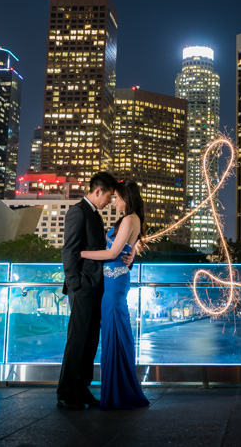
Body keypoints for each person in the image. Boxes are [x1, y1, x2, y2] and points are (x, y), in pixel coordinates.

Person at [56, 171, 128, 410]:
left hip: (97, 286)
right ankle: (66, 393)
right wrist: (75, 284)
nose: (109, 200)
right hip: (83, 287)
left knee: (90, 340)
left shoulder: (95, 215)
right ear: (98, 191)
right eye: (108, 196)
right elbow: (70, 250)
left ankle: (82, 387)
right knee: (77, 339)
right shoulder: (78, 211)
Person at [80, 179, 150, 410]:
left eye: (118, 198)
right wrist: (128, 257)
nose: (114, 201)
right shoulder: (129, 219)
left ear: (127, 198)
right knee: (114, 331)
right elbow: (124, 252)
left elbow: (112, 252)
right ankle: (118, 388)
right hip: (113, 280)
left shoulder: (130, 219)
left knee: (115, 331)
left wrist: (80, 253)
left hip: (114, 282)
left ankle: (120, 392)